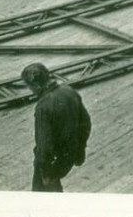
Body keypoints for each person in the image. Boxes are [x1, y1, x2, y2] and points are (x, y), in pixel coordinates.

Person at [20, 62, 92, 192]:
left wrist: (46, 171)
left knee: (43, 195)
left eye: (30, 87)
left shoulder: (43, 107)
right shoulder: (69, 91)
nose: (31, 91)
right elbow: (86, 123)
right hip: (70, 154)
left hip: (50, 163)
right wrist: (80, 149)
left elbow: (44, 145)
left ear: (36, 86)